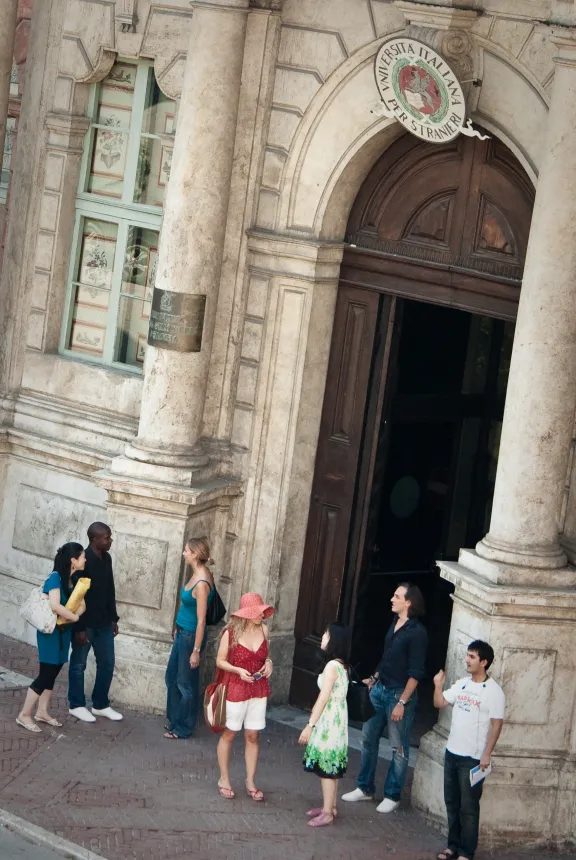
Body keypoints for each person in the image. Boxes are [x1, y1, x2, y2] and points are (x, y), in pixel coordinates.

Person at [342, 582, 427, 812]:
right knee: (369, 738)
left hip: (399, 694)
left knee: (398, 747)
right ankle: (365, 788)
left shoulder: (417, 634)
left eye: (397, 596)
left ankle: (392, 794)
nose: (392, 598)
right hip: (380, 689)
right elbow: (388, 656)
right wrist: (374, 677)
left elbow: (416, 672)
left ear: (409, 602)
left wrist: (402, 702)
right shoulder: (394, 623)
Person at [433, 640, 505, 860]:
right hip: (452, 752)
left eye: (472, 657)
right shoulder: (462, 684)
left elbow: (496, 724)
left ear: (484, 662)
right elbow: (439, 703)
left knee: (469, 807)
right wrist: (438, 685)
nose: (467, 660)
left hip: (472, 758)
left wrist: (487, 753)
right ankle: (452, 846)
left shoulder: (494, 692)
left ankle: (467, 851)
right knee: (452, 802)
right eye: (468, 655)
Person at [17, 543, 87, 732]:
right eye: (82, 557)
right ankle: (24, 714)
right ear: (73, 560)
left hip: (63, 633)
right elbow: (56, 605)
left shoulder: (73, 579)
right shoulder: (55, 578)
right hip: (50, 633)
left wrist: (74, 614)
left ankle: (42, 711)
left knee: (53, 673)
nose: (85, 560)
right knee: (45, 674)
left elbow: (82, 604)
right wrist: (74, 616)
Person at [215, 592, 274, 801]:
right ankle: (224, 778)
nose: (262, 615)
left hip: (258, 689)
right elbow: (219, 661)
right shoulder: (230, 633)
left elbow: (265, 656)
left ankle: (250, 780)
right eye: (258, 612)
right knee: (230, 733)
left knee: (253, 736)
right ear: (247, 614)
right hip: (236, 688)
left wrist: (269, 664)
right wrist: (238, 670)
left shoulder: (264, 630)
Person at [68, 522, 122, 722]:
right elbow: (77, 597)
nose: (110, 540)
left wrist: (113, 618)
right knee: (78, 664)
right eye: (107, 537)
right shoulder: (84, 562)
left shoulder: (106, 558)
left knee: (107, 663)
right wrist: (79, 628)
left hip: (104, 623)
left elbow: (110, 589)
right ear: (94, 540)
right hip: (86, 625)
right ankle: (76, 704)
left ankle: (100, 704)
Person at [299, 621, 350, 827]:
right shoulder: (341, 665)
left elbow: (323, 697)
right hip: (337, 719)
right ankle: (331, 806)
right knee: (331, 764)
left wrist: (310, 725)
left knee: (326, 766)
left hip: (329, 721)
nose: (323, 638)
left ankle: (328, 812)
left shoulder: (331, 666)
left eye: (326, 635)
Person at [164, 538, 215, 739]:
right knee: (172, 678)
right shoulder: (197, 574)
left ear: (195, 554)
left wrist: (195, 651)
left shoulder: (202, 582)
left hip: (191, 636)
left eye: (186, 550)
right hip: (183, 632)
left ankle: (183, 727)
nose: (183, 553)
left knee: (185, 684)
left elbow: (201, 620)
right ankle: (175, 720)